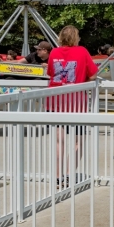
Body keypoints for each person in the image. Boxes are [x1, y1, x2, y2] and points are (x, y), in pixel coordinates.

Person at [47, 26, 99, 188]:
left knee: (58, 141)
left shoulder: (54, 52)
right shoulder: (82, 51)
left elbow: (50, 73)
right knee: (78, 142)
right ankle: (70, 175)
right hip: (76, 102)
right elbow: (93, 73)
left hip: (55, 100)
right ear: (76, 37)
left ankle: (57, 177)